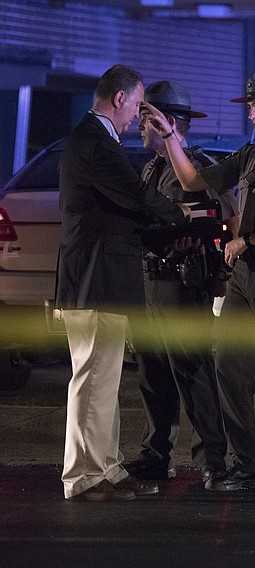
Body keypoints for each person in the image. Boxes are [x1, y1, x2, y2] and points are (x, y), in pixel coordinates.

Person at [142, 66, 255, 492]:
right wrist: (170, 138)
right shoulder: (250, 155)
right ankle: (247, 466)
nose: (252, 116)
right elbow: (191, 180)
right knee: (227, 369)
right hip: (244, 276)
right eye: (250, 108)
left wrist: (249, 240)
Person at [57, 64, 190, 501]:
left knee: (103, 383)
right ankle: (85, 476)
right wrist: (180, 214)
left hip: (100, 278)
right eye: (135, 105)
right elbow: (136, 195)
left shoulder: (93, 140)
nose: (136, 116)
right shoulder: (96, 143)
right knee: (93, 381)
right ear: (119, 99)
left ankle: (106, 467)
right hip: (96, 279)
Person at [124, 80, 238, 485]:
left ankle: (213, 461)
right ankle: (156, 456)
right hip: (150, 282)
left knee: (193, 373)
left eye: (146, 118)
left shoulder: (197, 166)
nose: (139, 126)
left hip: (182, 283)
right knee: (152, 375)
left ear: (168, 122)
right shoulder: (151, 167)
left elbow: (215, 216)